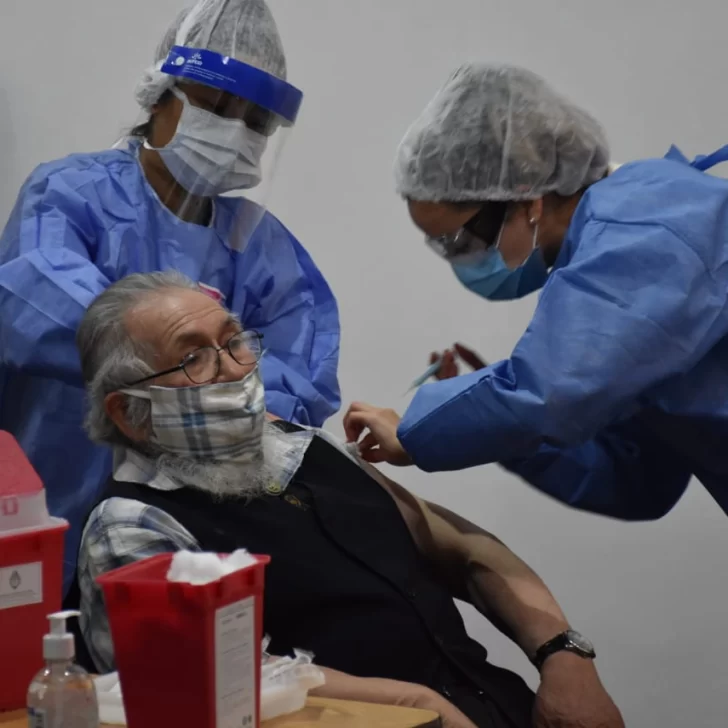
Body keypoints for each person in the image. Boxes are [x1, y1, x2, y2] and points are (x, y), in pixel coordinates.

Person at [73, 271, 623, 728]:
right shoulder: (132, 527)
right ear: (129, 412)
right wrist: (416, 703)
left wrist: (563, 654)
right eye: (194, 357)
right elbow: (214, 686)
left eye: (234, 341)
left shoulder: (297, 446)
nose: (235, 369)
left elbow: (461, 549)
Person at [0, 0, 341, 595]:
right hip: (51, 510)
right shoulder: (71, 194)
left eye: (256, 121)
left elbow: (301, 382)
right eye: (217, 106)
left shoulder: (259, 246)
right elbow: (37, 305)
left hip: (192, 537)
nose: (235, 131)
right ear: (160, 95)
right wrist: (203, 375)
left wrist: (185, 376)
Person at [343, 62, 728, 522]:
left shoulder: (646, 228)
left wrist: (415, 431)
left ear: (527, 198)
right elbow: (638, 477)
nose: (464, 260)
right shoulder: (611, 255)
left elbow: (552, 394)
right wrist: (490, 422)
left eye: (461, 241)